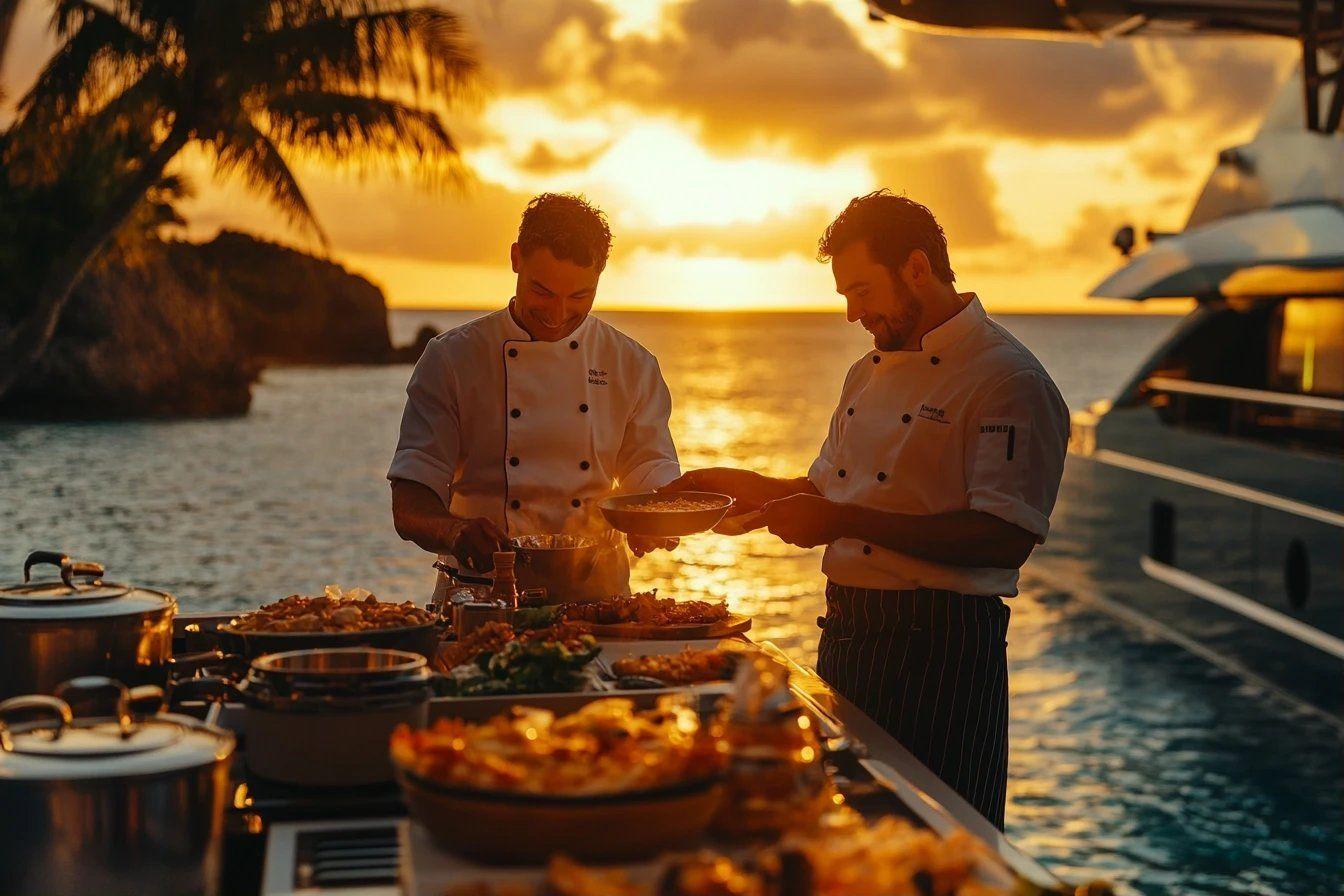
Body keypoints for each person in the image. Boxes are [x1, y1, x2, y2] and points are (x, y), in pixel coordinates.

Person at [663, 190, 1069, 828]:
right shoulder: (865, 373)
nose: (853, 313)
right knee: (844, 827)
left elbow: (1003, 537)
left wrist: (843, 523)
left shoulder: (1009, 380)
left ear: (916, 268)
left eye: (861, 290)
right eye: (845, 295)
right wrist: (738, 487)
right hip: (851, 637)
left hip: (943, 651)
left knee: (943, 837)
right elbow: (831, 491)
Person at [388, 193, 679, 601]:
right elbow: (409, 502)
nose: (557, 315)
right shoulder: (452, 358)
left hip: (599, 600)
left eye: (578, 297)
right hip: (480, 598)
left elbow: (648, 465)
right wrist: (454, 531)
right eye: (542, 291)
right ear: (516, 259)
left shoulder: (631, 363)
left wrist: (659, 516)